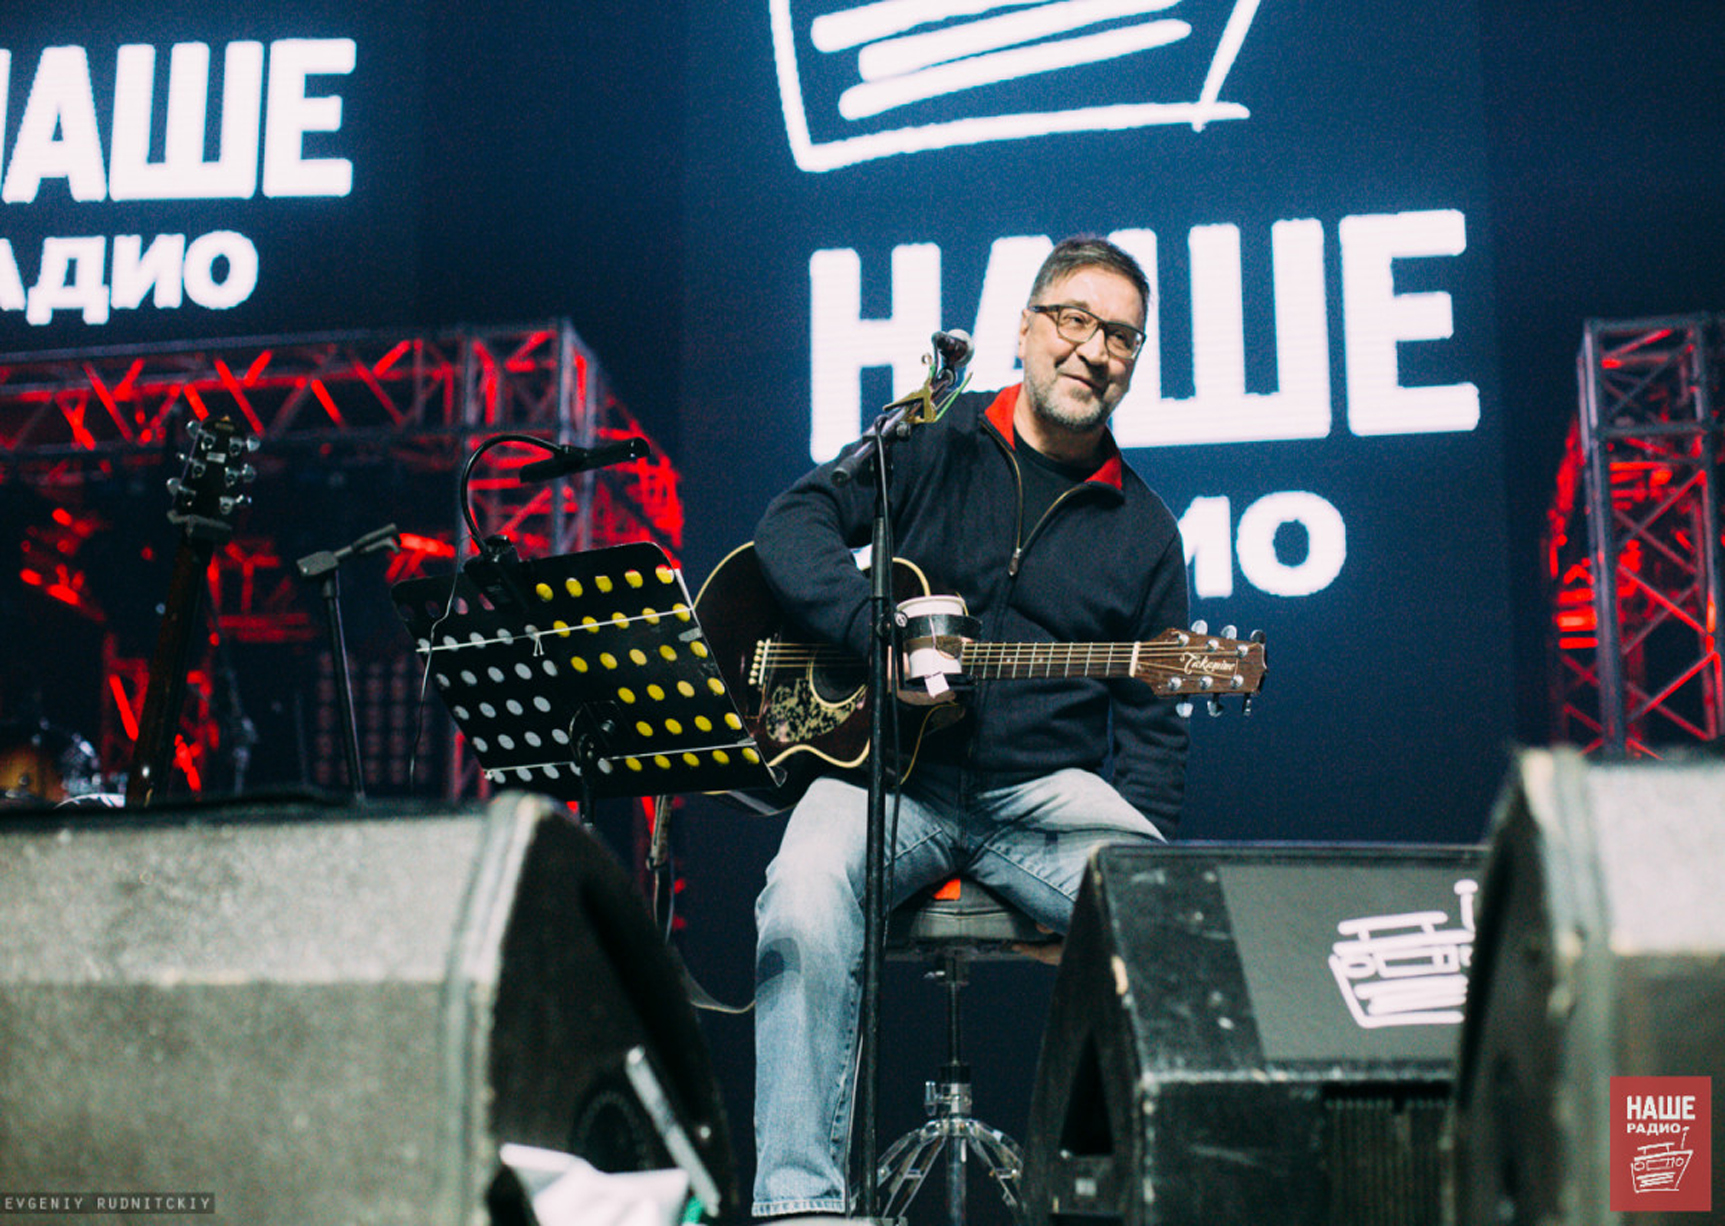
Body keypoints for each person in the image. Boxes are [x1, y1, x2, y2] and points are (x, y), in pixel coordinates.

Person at [748, 235, 1189, 1218]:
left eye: (1120, 336)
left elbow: (1153, 734)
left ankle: (1131, 1200)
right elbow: (790, 524)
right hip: (887, 779)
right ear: (1024, 329)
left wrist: (1108, 906)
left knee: (1168, 917)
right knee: (800, 894)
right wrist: (870, 633)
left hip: (1041, 794)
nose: (1094, 349)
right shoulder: (929, 442)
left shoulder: (1147, 530)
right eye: (1073, 320)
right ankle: (799, 1209)